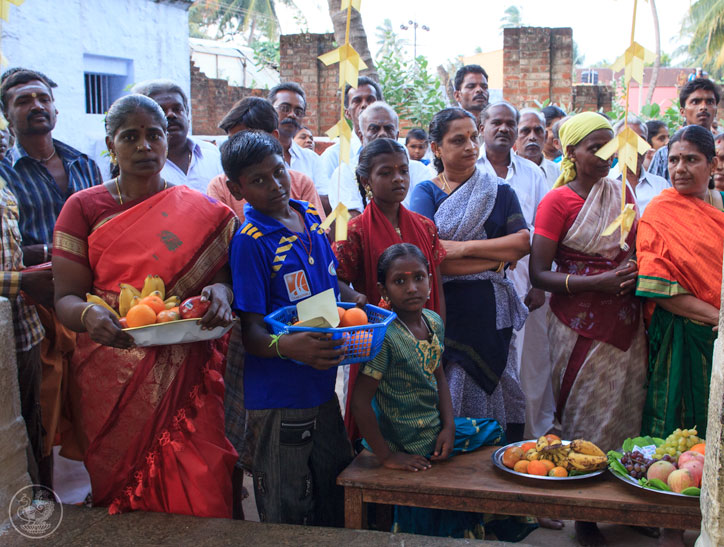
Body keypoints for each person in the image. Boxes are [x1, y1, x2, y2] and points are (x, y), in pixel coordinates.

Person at [51, 94, 238, 516]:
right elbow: (65, 298)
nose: (144, 146)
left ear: (167, 140)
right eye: (130, 137)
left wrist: (222, 293)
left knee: (202, 485)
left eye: (154, 135)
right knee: (124, 495)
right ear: (110, 144)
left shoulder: (202, 211)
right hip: (110, 367)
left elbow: (225, 278)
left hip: (188, 369)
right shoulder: (83, 207)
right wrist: (88, 314)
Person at [224, 130, 366, 526]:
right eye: (258, 180)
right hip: (279, 397)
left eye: (278, 171)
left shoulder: (309, 218)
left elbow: (327, 284)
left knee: (333, 491)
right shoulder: (251, 241)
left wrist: (352, 296)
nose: (275, 185)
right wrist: (288, 346)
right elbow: (251, 332)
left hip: (320, 387)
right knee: (285, 503)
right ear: (237, 189)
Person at [351, 243, 534, 540]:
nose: (412, 288)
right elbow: (360, 403)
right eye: (399, 281)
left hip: (434, 431)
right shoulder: (384, 338)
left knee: (496, 435)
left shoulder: (433, 321)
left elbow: (439, 376)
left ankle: (492, 521)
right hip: (406, 442)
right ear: (383, 290)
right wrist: (387, 456)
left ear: (430, 280)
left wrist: (448, 426)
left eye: (419, 278)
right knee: (430, 515)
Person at [529, 112, 647, 546]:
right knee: (583, 417)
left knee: (627, 413)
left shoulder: (623, 193)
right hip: (576, 324)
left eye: (608, 146)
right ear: (570, 152)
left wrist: (631, 272)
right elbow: (539, 273)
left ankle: (626, 505)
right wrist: (597, 282)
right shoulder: (557, 202)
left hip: (626, 323)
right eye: (593, 147)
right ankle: (586, 515)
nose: (603, 156)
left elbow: (635, 249)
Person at [0, 67, 103, 486]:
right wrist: (52, 253)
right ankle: (45, 498)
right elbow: (11, 249)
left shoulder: (83, 163)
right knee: (43, 411)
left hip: (92, 300)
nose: (36, 105)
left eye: (43, 98)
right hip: (37, 307)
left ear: (56, 108)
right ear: (7, 115)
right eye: (23, 100)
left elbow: (106, 230)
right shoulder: (4, 173)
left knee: (94, 397)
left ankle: (103, 485)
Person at [409, 107, 530, 442]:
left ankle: (496, 455)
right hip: (446, 309)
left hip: (493, 311)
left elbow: (521, 243)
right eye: (458, 140)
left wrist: (461, 248)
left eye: (473, 137)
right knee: (453, 381)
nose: (470, 146)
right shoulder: (425, 193)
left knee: (500, 382)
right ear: (436, 148)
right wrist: (494, 260)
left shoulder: (499, 190)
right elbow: (430, 260)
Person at [637, 124, 723, 547]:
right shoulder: (659, 212)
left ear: (712, 164)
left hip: (718, 342)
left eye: (691, 159)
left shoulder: (719, 211)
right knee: (675, 424)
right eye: (673, 159)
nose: (680, 168)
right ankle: (671, 528)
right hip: (679, 337)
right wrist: (718, 317)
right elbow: (659, 288)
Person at [333, 138, 447, 441]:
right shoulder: (354, 230)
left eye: (403, 171)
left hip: (422, 334)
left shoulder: (425, 226)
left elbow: (436, 283)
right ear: (366, 180)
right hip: (377, 343)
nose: (398, 179)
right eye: (386, 172)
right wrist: (355, 297)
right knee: (377, 412)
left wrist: (439, 334)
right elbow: (333, 279)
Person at [478, 101, 553, 440]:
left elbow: (544, 233)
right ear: (482, 127)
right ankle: (489, 438)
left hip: (526, 284)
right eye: (497, 122)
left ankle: (532, 439)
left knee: (531, 365)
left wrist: (539, 283)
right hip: (479, 283)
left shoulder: (533, 174)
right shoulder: (471, 167)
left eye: (511, 123)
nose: (504, 128)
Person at [1, 180, 51, 485]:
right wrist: (20, 282)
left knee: (31, 427)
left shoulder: (4, 184)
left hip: (24, 330)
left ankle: (40, 504)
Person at [207, 97, 325, 222]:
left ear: (274, 137)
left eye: (248, 141)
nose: (239, 148)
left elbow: (318, 229)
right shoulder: (219, 187)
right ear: (235, 190)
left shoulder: (301, 183)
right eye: (233, 141)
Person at [327, 102, 431, 215]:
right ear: (361, 136)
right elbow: (351, 221)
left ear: (397, 136)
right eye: (374, 129)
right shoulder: (345, 172)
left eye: (388, 128)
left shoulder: (419, 170)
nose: (382, 134)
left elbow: (424, 218)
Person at [132, 79, 222, 193]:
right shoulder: (140, 162)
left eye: (177, 109)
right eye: (161, 110)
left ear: (187, 113)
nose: (171, 114)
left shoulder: (211, 154)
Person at [649, 78, 720, 181]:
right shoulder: (664, 154)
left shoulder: (720, 149)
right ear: (682, 111)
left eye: (709, 102)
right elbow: (653, 188)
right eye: (695, 102)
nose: (703, 107)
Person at [268, 82, 328, 202]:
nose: (292, 115)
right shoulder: (256, 157)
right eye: (285, 108)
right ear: (270, 110)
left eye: (298, 111)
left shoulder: (311, 159)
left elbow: (325, 200)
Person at [319, 76, 383, 181]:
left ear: (381, 107)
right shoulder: (333, 156)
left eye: (370, 100)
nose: (364, 105)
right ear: (347, 113)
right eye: (357, 101)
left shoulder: (398, 152)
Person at [611, 115, 670, 214]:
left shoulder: (661, 185)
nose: (635, 146)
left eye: (641, 140)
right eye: (628, 140)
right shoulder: (604, 182)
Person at [515, 108, 560, 188]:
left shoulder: (558, 173)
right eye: (525, 131)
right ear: (514, 135)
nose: (532, 137)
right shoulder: (505, 172)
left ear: (545, 136)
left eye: (538, 131)